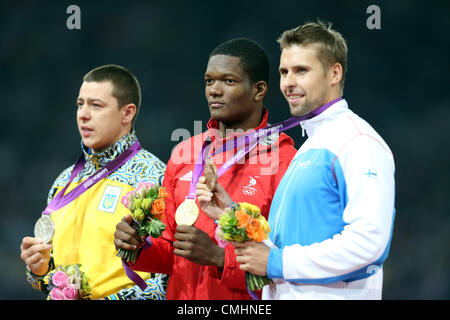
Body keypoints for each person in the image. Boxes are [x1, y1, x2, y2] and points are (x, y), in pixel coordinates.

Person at [203, 21, 396, 299]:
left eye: (301, 71)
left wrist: (275, 263)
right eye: (284, 72)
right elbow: (283, 247)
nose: (288, 83)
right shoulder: (309, 148)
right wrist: (230, 214)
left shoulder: (358, 142)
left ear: (334, 73)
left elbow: (368, 244)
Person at [114, 38, 297, 299]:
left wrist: (221, 258)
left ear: (259, 90)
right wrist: (138, 245)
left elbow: (289, 261)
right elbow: (169, 250)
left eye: (228, 81)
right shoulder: (185, 153)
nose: (214, 90)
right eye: (209, 81)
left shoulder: (284, 161)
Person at [20, 64, 168, 300]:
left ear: (127, 113)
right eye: (80, 104)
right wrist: (39, 270)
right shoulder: (63, 183)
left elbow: (169, 280)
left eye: (96, 105)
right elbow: (48, 280)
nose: (83, 114)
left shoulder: (153, 179)